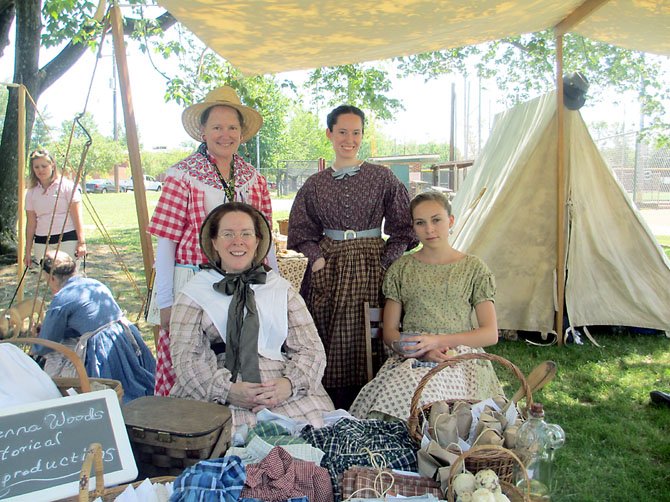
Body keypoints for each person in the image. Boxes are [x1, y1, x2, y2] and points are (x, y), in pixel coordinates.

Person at [287, 104, 417, 409]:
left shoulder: (382, 178)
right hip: (329, 267)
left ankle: (376, 400)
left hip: (373, 266)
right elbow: (300, 230)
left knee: (372, 329)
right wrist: (316, 259)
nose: (350, 139)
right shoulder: (315, 184)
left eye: (356, 132)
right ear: (329, 134)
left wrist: (386, 260)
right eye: (342, 132)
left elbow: (404, 228)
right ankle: (330, 402)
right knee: (327, 330)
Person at [147, 86, 275, 396]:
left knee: (234, 360)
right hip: (190, 280)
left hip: (241, 282)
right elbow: (166, 243)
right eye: (216, 127)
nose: (225, 134)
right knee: (188, 361)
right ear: (203, 132)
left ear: (241, 133)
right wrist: (165, 301)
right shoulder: (182, 175)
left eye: (232, 127)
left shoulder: (252, 178)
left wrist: (275, 287)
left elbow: (265, 240)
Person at [169, 202, 334, 431]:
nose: (238, 241)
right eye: (228, 234)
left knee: (312, 440)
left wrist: (289, 384)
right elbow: (186, 357)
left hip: (279, 384)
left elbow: (311, 348)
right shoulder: (194, 293)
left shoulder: (279, 289)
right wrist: (226, 391)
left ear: (257, 242)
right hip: (220, 385)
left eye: (246, 234)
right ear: (214, 242)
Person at [349, 190, 503, 421]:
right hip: (413, 356)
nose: (429, 229)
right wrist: (419, 348)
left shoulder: (473, 268)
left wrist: (439, 341)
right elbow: (390, 332)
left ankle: (445, 443)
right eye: (420, 223)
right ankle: (407, 444)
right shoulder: (402, 268)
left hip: (459, 359)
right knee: (407, 396)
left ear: (450, 221)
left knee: (449, 409)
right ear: (413, 227)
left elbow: (490, 334)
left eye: (436, 220)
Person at [32, 250, 156, 403]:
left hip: (103, 347)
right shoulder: (93, 283)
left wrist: (35, 343)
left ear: (51, 278)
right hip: (125, 337)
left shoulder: (62, 298)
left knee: (110, 395)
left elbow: (47, 343)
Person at [24, 149, 86, 268]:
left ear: (52, 165)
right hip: (42, 241)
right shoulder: (31, 192)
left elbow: (77, 217)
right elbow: (31, 223)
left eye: (44, 166)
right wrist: (27, 251)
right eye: (36, 167)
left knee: (68, 279)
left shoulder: (67, 186)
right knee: (49, 281)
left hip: (67, 239)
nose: (40, 170)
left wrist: (82, 242)